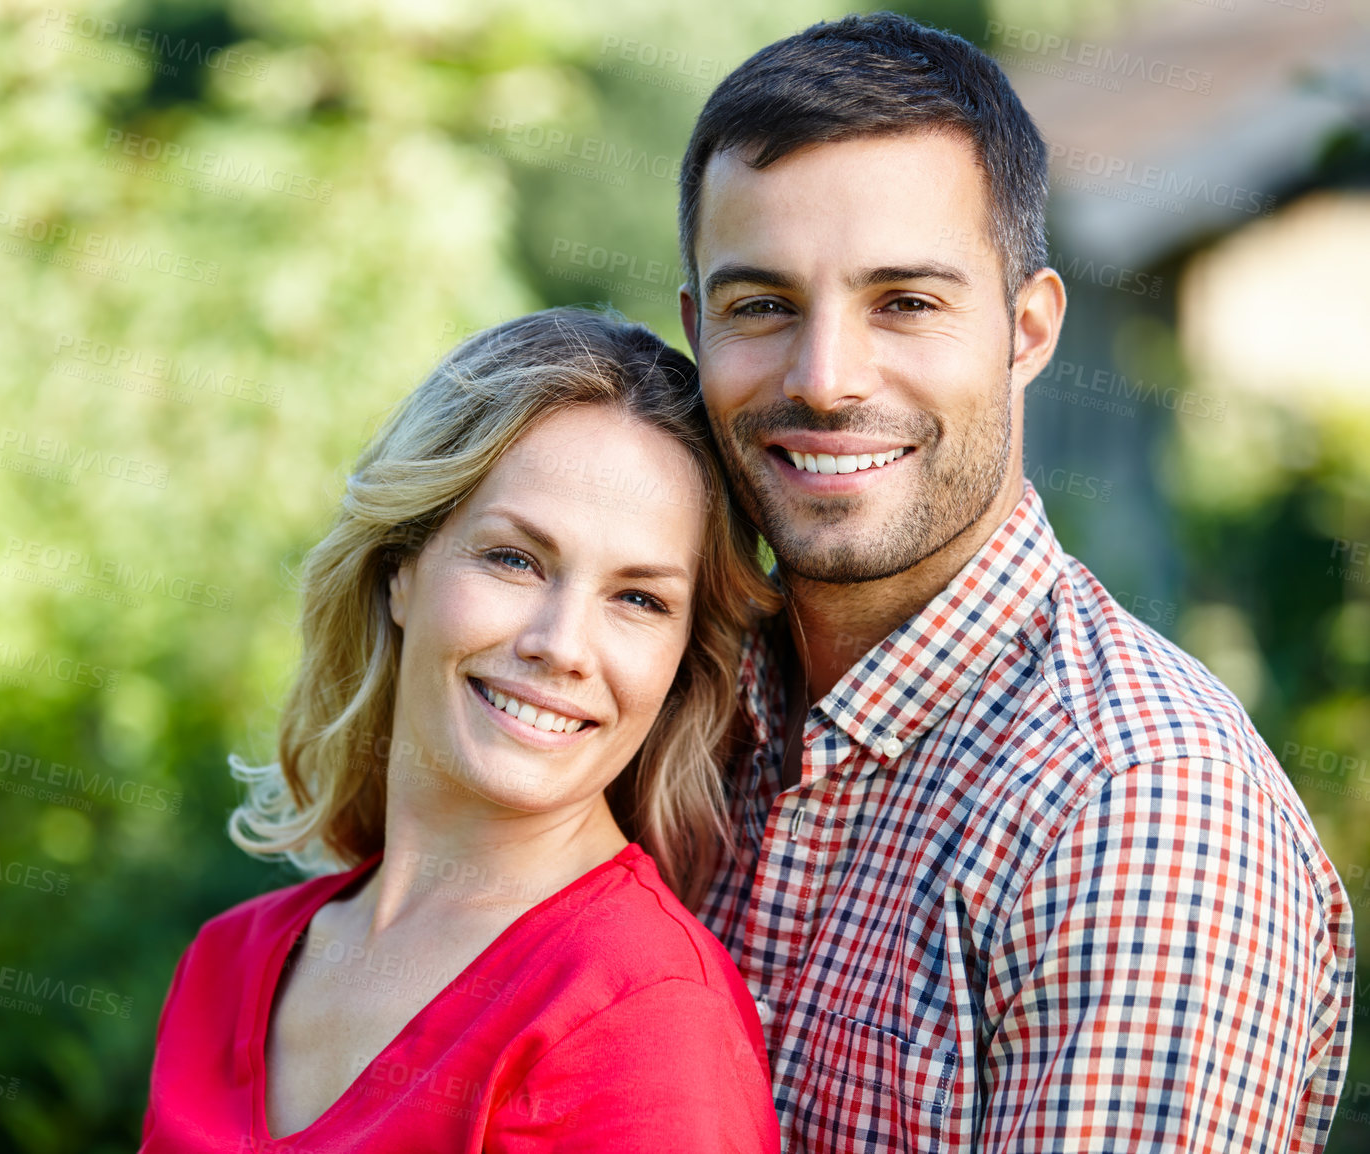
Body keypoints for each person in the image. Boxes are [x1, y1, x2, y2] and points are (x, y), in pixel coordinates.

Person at [676, 11, 1354, 1151]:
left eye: (906, 301)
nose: (827, 379)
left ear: (1027, 329)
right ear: (696, 329)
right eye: (762, 306)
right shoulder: (675, 710)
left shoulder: (1134, 808)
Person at [138, 308, 782, 1152]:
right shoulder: (227, 964)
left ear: (680, 662)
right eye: (514, 558)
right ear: (401, 566)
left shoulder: (640, 1014)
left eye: (639, 599)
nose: (558, 645)